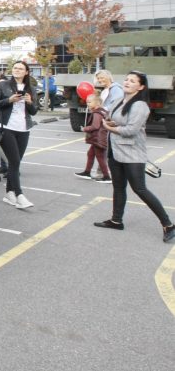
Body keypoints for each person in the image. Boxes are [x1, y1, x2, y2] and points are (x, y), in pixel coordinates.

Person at [94, 71, 175, 242]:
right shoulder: (119, 100)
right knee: (118, 187)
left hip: (133, 154)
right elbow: (117, 119)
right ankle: (116, 220)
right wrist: (110, 122)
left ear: (141, 86)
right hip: (115, 151)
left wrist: (109, 128)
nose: (127, 82)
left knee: (140, 189)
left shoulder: (140, 105)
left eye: (132, 81)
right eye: (126, 79)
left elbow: (131, 130)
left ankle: (168, 224)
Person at [0, 60, 38, 209]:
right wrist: (9, 100)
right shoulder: (3, 85)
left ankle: (9, 193)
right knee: (15, 161)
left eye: (20, 68)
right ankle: (19, 195)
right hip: (6, 127)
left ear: (26, 72)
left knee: (16, 162)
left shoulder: (30, 88)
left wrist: (30, 102)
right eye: (15, 68)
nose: (17, 70)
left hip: (24, 128)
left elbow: (34, 111)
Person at [74, 93, 111, 182]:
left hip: (97, 138)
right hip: (99, 138)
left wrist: (85, 129)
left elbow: (95, 126)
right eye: (87, 102)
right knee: (90, 154)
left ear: (97, 103)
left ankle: (106, 177)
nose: (88, 104)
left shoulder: (96, 114)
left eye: (90, 102)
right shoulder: (102, 111)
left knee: (100, 157)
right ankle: (87, 172)